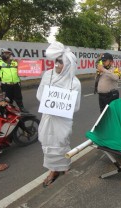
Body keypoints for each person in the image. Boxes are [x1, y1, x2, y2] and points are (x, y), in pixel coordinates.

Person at [36, 42, 81, 187]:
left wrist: (60, 108)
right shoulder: (48, 75)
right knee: (48, 143)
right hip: (47, 118)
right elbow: (40, 95)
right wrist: (49, 102)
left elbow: (75, 106)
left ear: (68, 64)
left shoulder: (74, 83)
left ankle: (65, 166)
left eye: (60, 62)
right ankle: (53, 170)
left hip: (63, 120)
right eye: (56, 61)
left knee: (62, 142)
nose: (57, 65)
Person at [0, 48, 28, 113]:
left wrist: (24, 73)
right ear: (1, 54)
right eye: (4, 53)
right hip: (5, 85)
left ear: (10, 54)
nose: (6, 54)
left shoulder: (15, 62)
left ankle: (21, 108)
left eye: (7, 53)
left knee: (19, 98)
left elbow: (20, 71)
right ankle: (8, 111)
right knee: (8, 99)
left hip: (16, 84)